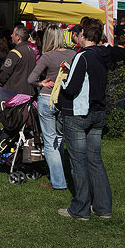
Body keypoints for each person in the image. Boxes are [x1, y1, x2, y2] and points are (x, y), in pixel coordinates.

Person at [57, 21, 113, 220]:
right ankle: (103, 207)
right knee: (95, 160)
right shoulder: (104, 54)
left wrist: (62, 81)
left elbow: (72, 87)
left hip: (79, 112)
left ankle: (80, 208)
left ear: (83, 34)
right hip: (98, 111)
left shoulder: (83, 56)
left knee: (79, 162)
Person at [27, 25, 75, 190]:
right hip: (65, 99)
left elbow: (31, 79)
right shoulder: (73, 54)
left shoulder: (46, 57)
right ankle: (62, 174)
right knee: (60, 138)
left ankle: (58, 181)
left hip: (47, 98)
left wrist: (41, 82)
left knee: (50, 141)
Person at [0, 25, 37, 97]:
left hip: (15, 95)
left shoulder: (15, 53)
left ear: (18, 37)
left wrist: (0, 83)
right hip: (28, 93)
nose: (11, 35)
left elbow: (4, 74)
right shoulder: (31, 52)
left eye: (13, 34)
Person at [109, 36, 125, 110]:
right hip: (123, 73)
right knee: (121, 91)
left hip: (113, 71)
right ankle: (120, 107)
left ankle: (110, 107)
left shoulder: (112, 50)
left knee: (112, 90)